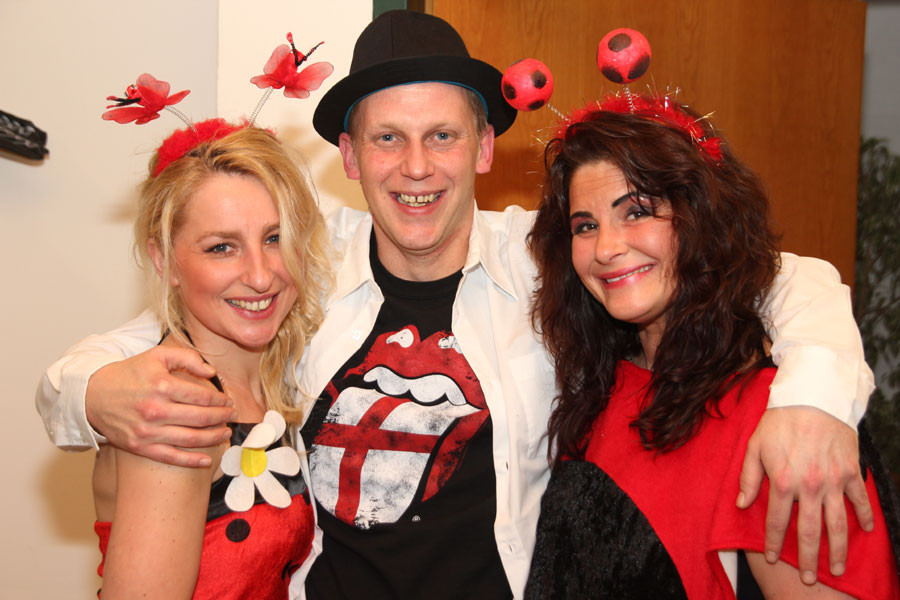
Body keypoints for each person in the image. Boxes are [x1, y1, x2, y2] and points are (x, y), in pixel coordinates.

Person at [38, 10, 874, 598]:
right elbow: (137, 345)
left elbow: (777, 276)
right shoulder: (298, 266)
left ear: (483, 147)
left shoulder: (550, 257)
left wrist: (814, 400)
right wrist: (93, 393)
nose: (416, 166)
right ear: (349, 157)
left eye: (442, 135)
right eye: (387, 138)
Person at [524, 101, 900, 598]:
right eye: (585, 225)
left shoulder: (785, 418)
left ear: (702, 218)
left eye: (637, 212)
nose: (606, 248)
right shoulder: (600, 386)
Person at [90, 122, 332, 598]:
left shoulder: (277, 379)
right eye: (222, 247)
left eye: (275, 238)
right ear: (165, 261)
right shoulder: (178, 412)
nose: (260, 276)